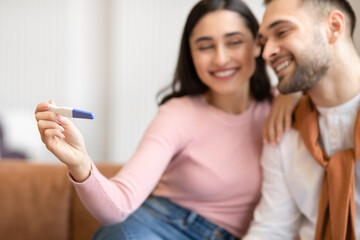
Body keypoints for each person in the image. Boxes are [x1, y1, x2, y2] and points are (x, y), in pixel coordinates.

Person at [35, 0, 299, 239]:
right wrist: (80, 162)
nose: (220, 58)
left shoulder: (285, 106)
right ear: (191, 55)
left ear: (257, 45)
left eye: (234, 42)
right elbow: (118, 206)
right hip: (159, 224)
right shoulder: (178, 113)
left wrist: (293, 93)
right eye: (205, 46)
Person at [243, 0, 360, 239]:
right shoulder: (283, 131)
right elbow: (272, 229)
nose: (266, 54)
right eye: (264, 42)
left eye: (282, 32)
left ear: (334, 26)